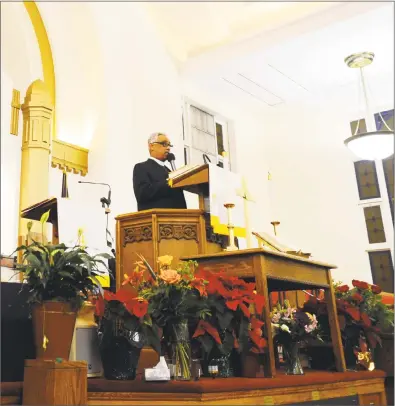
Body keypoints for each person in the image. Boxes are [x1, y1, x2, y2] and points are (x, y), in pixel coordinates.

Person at [133, 132, 187, 211]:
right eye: (164, 144)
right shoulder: (142, 167)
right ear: (151, 146)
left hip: (179, 219)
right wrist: (169, 182)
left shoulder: (170, 171)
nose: (168, 148)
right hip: (156, 219)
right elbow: (142, 194)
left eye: (169, 145)